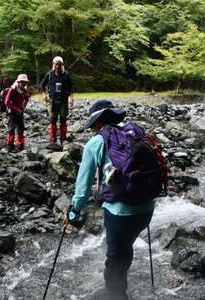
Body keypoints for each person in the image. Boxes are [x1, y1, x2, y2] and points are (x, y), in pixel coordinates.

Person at [66, 100, 155, 300]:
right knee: (125, 249)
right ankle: (119, 290)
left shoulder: (96, 143)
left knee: (115, 259)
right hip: (147, 208)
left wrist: (74, 212)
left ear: (98, 123)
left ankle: (116, 294)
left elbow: (82, 187)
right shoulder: (138, 134)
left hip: (120, 213)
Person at [40, 56, 74, 144]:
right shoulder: (49, 74)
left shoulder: (66, 74)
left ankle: (63, 137)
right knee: (53, 119)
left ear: (62, 65)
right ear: (53, 64)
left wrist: (72, 98)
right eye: (56, 64)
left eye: (59, 64)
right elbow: (42, 85)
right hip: (53, 100)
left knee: (63, 119)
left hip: (63, 100)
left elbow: (71, 87)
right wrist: (44, 94)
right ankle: (53, 138)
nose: (57, 66)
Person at [4, 74, 30, 152]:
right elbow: (6, 102)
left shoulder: (24, 90)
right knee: (11, 128)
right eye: (22, 82)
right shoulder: (12, 90)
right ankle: (10, 145)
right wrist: (16, 109)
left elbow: (27, 98)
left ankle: (20, 144)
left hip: (20, 111)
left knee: (21, 128)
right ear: (18, 82)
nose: (23, 84)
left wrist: (23, 107)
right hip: (12, 112)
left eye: (25, 82)